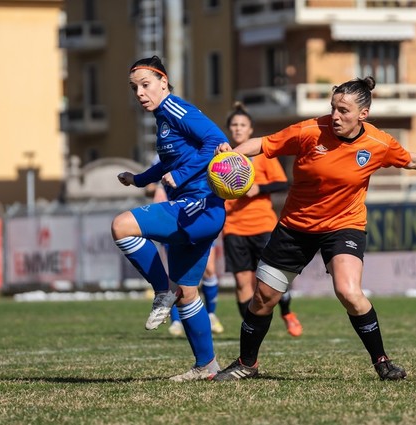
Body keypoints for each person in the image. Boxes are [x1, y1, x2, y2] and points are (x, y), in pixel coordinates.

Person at [212, 76, 416, 382]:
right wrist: (232, 154)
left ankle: (382, 362)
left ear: (363, 114)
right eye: (333, 108)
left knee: (349, 292)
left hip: (344, 225)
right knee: (263, 299)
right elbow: (263, 143)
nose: (335, 116)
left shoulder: (378, 143)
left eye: (344, 111)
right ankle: (247, 364)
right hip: (295, 226)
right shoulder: (309, 130)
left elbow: (407, 159)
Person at [112, 55, 226, 381]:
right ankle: (207, 366)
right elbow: (169, 161)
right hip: (198, 212)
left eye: (145, 85)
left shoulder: (176, 109)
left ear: (163, 82)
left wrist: (184, 173)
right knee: (188, 293)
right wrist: (139, 179)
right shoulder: (163, 118)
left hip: (198, 207)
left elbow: (217, 142)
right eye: (134, 87)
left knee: (121, 226)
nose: (139, 92)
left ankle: (161, 290)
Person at [223, 102, 302, 337]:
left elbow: (282, 183)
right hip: (233, 227)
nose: (238, 129)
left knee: (273, 279)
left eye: (242, 125)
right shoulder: (222, 158)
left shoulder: (261, 154)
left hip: (263, 225)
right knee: (241, 282)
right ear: (230, 129)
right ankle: (251, 329)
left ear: (250, 130)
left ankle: (287, 313)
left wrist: (260, 188)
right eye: (234, 125)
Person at [146, 179, 224, 338]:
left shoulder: (208, 155)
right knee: (176, 276)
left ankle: (211, 315)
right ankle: (175, 320)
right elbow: (148, 186)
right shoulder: (163, 156)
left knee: (209, 270)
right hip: (176, 219)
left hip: (203, 217)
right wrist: (158, 187)